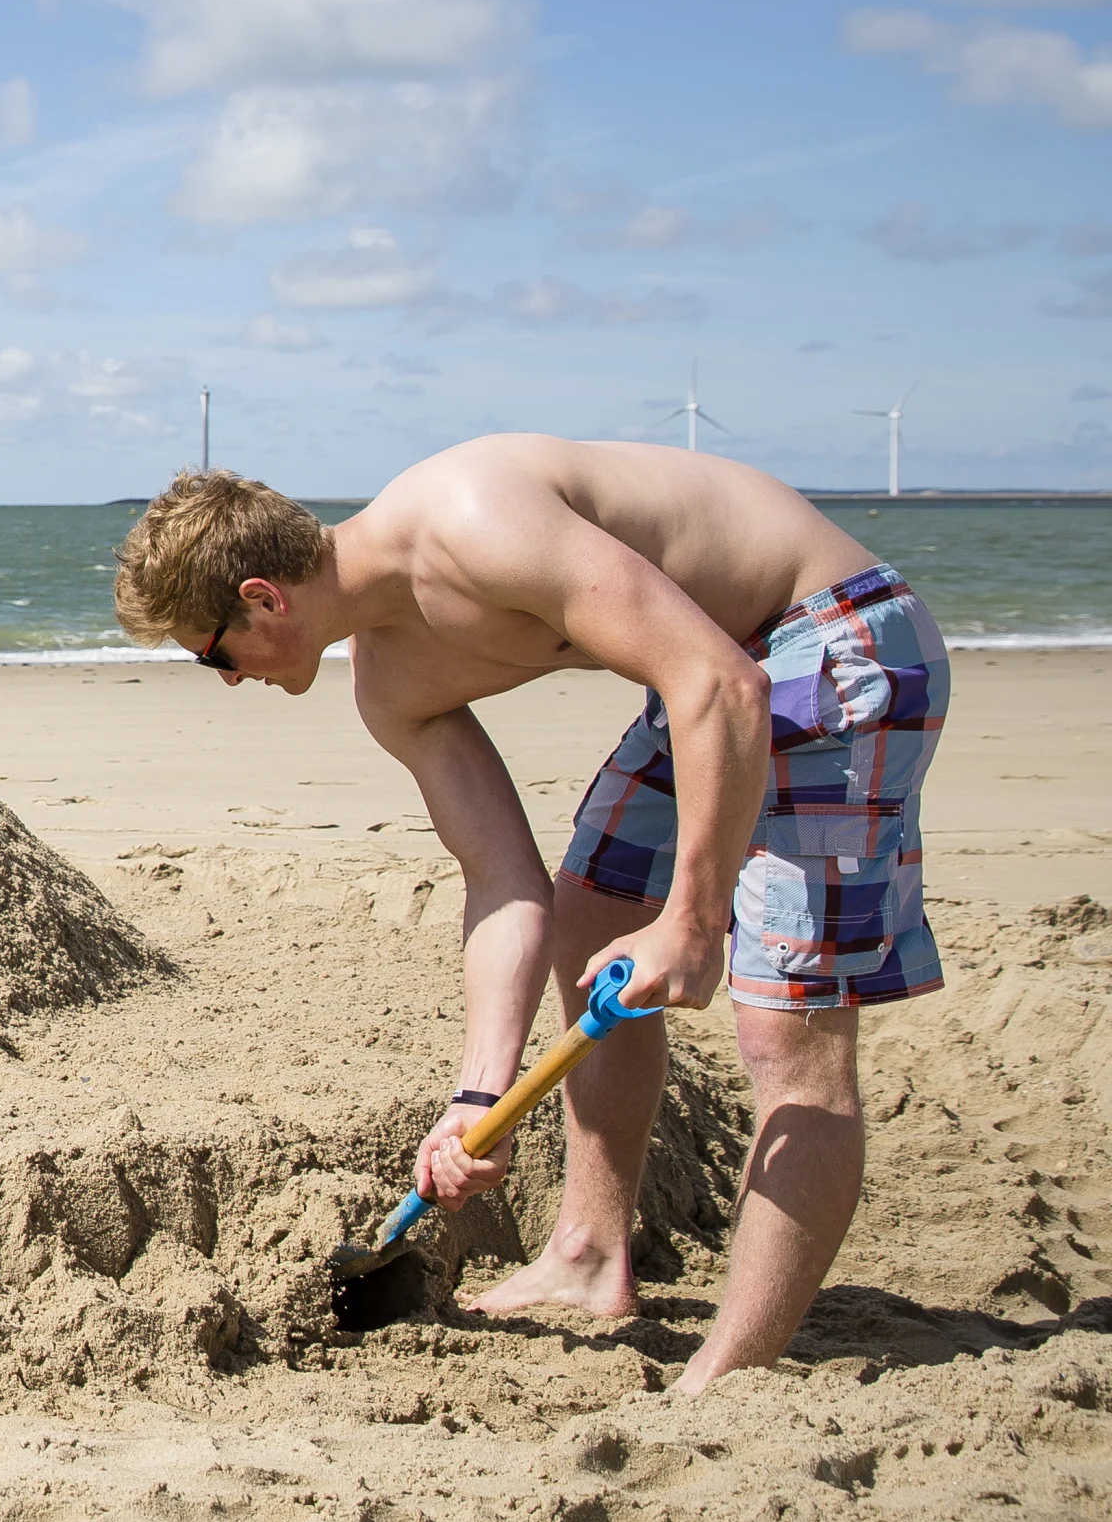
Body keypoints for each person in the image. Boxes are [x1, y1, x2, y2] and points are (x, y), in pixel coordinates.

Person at [116, 439, 944, 1395]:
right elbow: (502, 880)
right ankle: (589, 1254)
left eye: (212, 654)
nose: (226, 679)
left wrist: (693, 916)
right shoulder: (392, 689)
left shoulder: (469, 521)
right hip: (707, 675)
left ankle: (735, 1373)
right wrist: (479, 1100)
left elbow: (724, 686)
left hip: (829, 637)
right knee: (588, 918)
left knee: (786, 1031)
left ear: (263, 599)